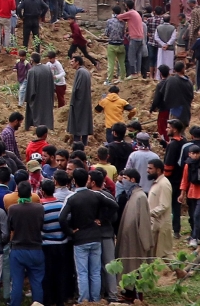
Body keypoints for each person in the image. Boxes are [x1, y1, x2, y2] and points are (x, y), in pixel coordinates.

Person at [60, 168, 115, 302]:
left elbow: (61, 218)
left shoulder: (71, 197)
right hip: (95, 237)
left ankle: (83, 301)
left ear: (74, 181)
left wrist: (70, 231)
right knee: (95, 272)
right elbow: (114, 205)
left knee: (82, 272)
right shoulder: (96, 195)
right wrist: (101, 219)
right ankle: (95, 300)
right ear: (88, 180)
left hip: (80, 239)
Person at [115, 168, 152, 293]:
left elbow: (145, 222)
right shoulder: (131, 195)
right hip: (129, 239)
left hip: (136, 241)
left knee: (135, 267)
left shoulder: (140, 197)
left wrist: (145, 243)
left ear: (132, 180)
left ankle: (136, 294)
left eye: (124, 178)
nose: (122, 180)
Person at [147, 159, 173, 257]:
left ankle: (181, 272)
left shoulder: (164, 184)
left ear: (158, 170)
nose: (147, 170)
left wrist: (148, 213)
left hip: (161, 225)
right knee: (149, 252)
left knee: (165, 253)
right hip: (154, 224)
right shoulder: (157, 183)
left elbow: (164, 205)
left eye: (150, 168)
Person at [67, 55, 94, 146]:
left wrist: (72, 102)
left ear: (77, 62)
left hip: (79, 103)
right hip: (85, 102)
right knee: (84, 124)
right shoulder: (85, 71)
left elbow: (76, 89)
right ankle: (84, 145)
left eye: (72, 61)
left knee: (77, 126)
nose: (71, 64)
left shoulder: (80, 72)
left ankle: (77, 145)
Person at [25, 53, 54, 130]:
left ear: (32, 60)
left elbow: (30, 89)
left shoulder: (32, 71)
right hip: (47, 97)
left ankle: (37, 127)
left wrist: (27, 98)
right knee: (46, 113)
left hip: (37, 99)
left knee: (37, 113)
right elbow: (52, 84)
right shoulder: (47, 68)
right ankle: (48, 126)